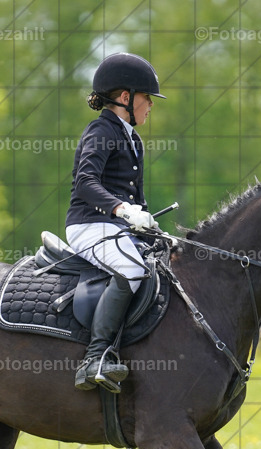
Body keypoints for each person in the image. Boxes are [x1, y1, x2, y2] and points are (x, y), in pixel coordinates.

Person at [65, 53, 166, 392]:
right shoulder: (101, 130)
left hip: (116, 227)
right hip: (89, 225)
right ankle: (95, 358)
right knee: (132, 270)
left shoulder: (131, 137)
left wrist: (149, 223)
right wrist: (123, 210)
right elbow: (85, 182)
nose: (150, 106)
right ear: (126, 98)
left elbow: (133, 194)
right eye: (147, 98)